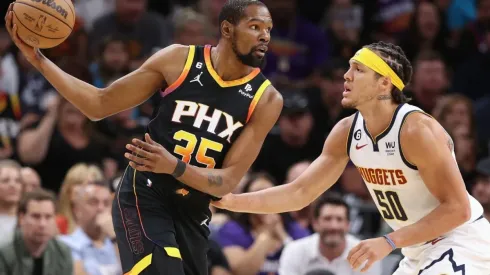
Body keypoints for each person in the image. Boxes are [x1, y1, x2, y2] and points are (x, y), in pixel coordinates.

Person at [5, 0, 281, 274]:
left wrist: (174, 166)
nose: (265, 36)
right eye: (255, 26)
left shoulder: (266, 99)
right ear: (227, 29)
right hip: (144, 195)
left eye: (268, 29)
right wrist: (38, 60)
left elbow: (226, 182)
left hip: (192, 211)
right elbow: (98, 104)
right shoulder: (178, 60)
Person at [211, 41, 490, 274]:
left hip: (458, 241)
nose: (346, 76)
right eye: (348, 68)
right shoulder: (346, 131)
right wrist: (232, 201)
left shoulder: (416, 130)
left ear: (383, 83)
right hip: (415, 248)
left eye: (357, 70)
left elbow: (458, 209)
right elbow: (300, 192)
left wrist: (388, 241)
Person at [0, 188, 73, 275]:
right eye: (36, 216)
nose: (42, 224)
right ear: (21, 218)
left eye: (48, 217)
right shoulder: (4, 251)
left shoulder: (62, 252)